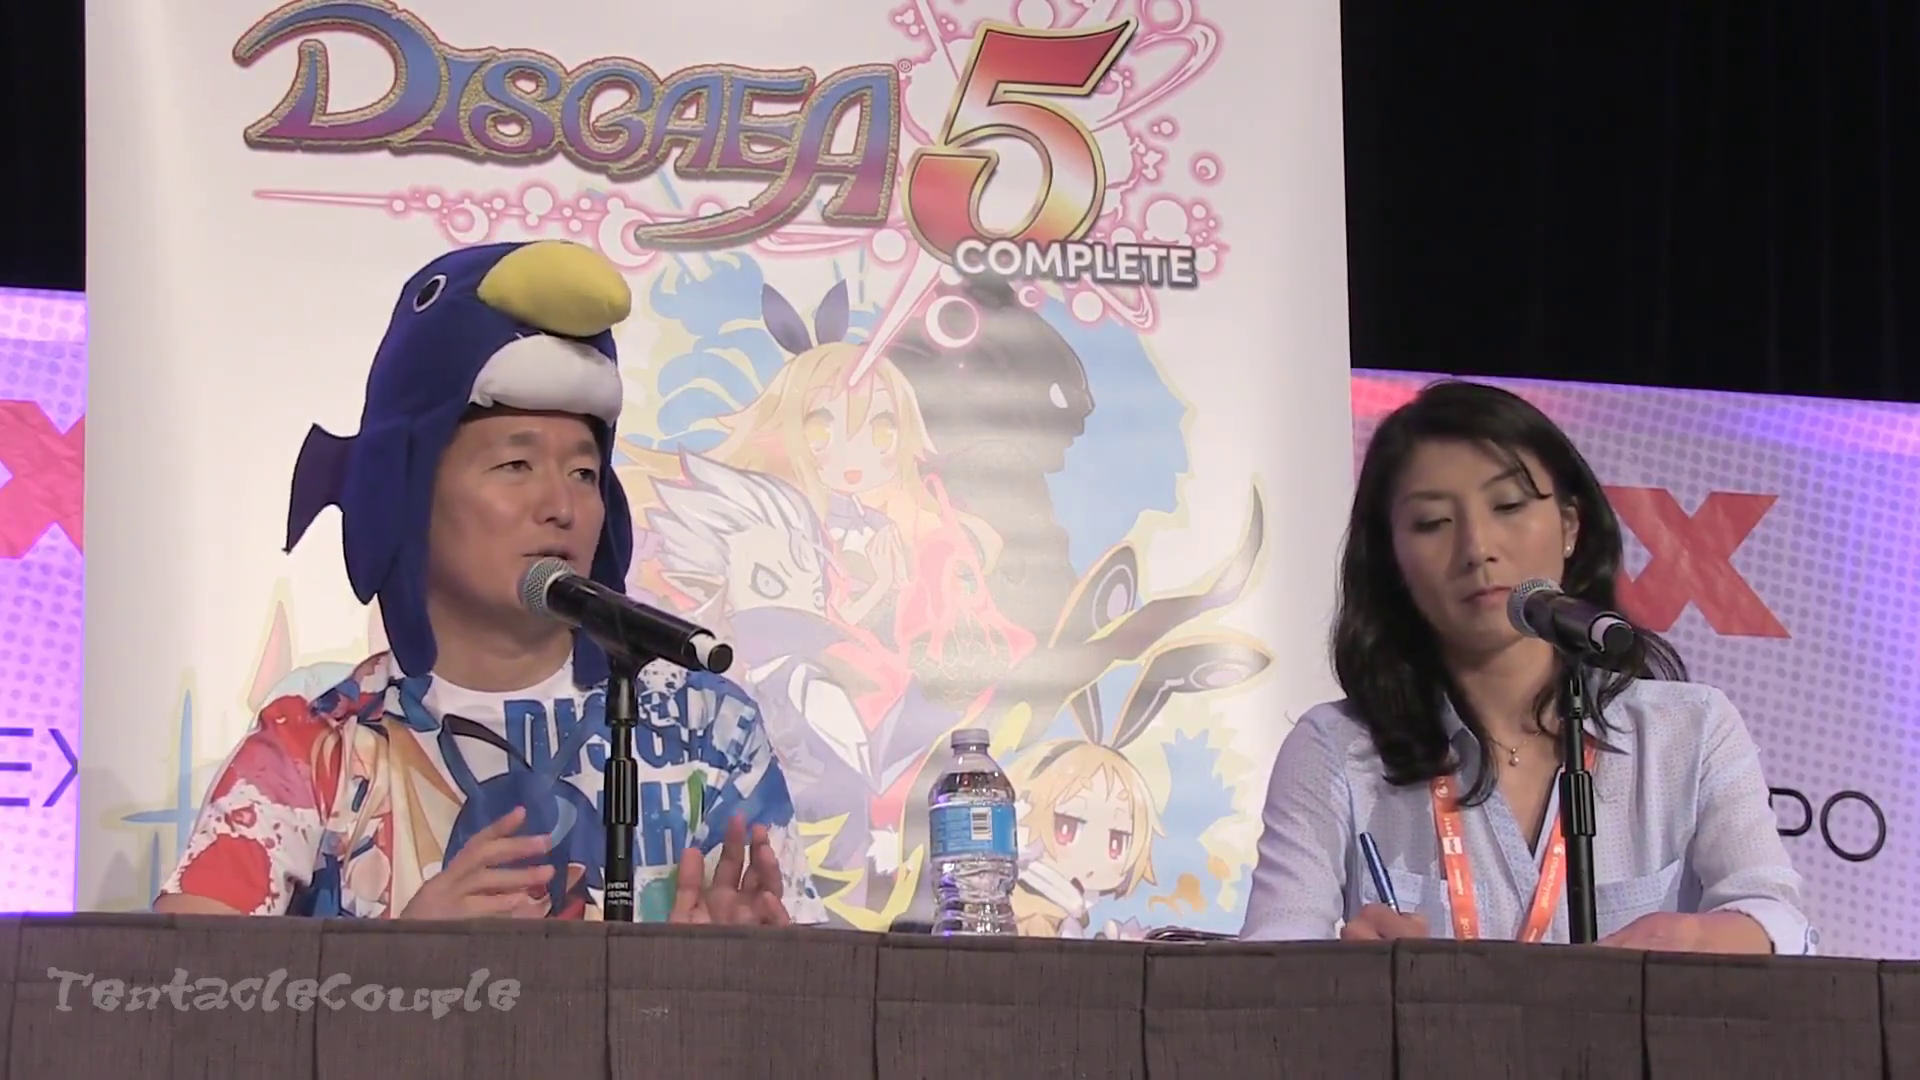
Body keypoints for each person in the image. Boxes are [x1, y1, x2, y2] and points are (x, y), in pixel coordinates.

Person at [154, 239, 825, 925]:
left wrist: (743, 972)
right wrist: (399, 964)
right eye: (515, 466)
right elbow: (177, 978)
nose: (560, 506)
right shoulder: (320, 749)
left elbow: (815, 971)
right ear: (411, 490)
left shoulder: (706, 731)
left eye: (583, 473)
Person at [1240, 379, 1812, 953]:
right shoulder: (1336, 751)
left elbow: (1778, 920)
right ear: (1392, 560)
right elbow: (1273, 952)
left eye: (1509, 506)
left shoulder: (1689, 730)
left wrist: (1692, 935)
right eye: (1432, 522)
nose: (1477, 548)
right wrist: (1343, 969)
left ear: (1570, 527)